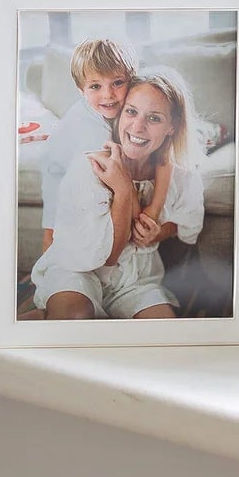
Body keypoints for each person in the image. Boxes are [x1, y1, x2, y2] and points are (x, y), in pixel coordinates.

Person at [31, 69, 204, 320]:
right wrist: (123, 190)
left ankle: (43, 318)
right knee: (75, 316)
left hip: (135, 279)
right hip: (80, 270)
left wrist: (159, 231)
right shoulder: (92, 167)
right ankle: (45, 316)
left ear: (172, 126)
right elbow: (108, 257)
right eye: (131, 112)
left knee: (163, 329)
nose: (138, 127)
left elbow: (188, 223)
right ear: (120, 113)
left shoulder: (180, 175)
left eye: (154, 118)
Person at [31, 38, 136, 255]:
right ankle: (47, 271)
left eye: (117, 83)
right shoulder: (92, 130)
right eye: (96, 86)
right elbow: (113, 175)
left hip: (69, 161)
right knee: (55, 229)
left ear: (131, 80)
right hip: (58, 170)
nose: (108, 94)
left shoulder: (116, 110)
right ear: (81, 89)